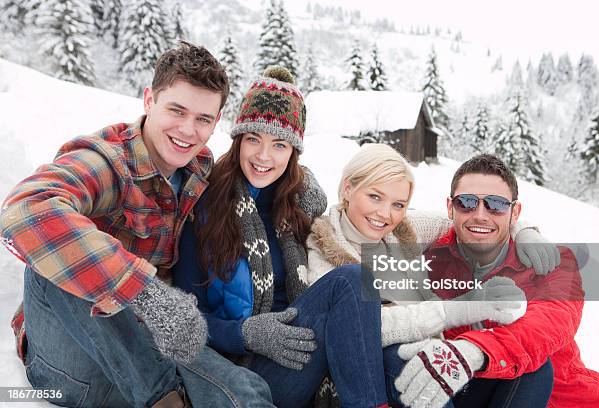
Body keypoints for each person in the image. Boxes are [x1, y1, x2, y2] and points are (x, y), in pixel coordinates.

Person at [0, 42, 273, 407]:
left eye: (203, 119)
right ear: (149, 101)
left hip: (150, 346)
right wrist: (145, 291)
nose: (188, 130)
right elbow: (27, 208)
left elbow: (256, 177)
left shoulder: (198, 168)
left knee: (247, 391)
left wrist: (305, 192)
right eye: (177, 110)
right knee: (54, 248)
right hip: (73, 363)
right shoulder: (110, 162)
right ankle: (163, 397)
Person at [173, 66, 391, 408]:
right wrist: (245, 335)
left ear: (293, 153)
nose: (263, 156)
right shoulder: (205, 207)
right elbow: (184, 315)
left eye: (279, 144)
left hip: (299, 351)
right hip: (243, 368)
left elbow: (361, 224)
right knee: (350, 280)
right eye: (253, 139)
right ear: (238, 140)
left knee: (356, 285)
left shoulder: (299, 208)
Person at [305, 144, 560, 407]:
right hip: (386, 370)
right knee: (406, 360)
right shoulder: (324, 252)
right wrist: (462, 308)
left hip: (433, 356)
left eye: (398, 204)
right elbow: (360, 329)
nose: (384, 214)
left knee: (536, 370)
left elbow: (472, 222)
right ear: (348, 188)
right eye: (374, 197)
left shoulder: (403, 229)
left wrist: (525, 232)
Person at [394, 154, 599, 408]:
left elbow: (545, 326)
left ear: (515, 211)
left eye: (496, 205)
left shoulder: (555, 262)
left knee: (536, 369)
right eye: (466, 202)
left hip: (559, 400)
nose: (480, 215)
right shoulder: (429, 262)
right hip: (469, 395)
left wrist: (474, 351)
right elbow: (377, 222)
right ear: (450, 207)